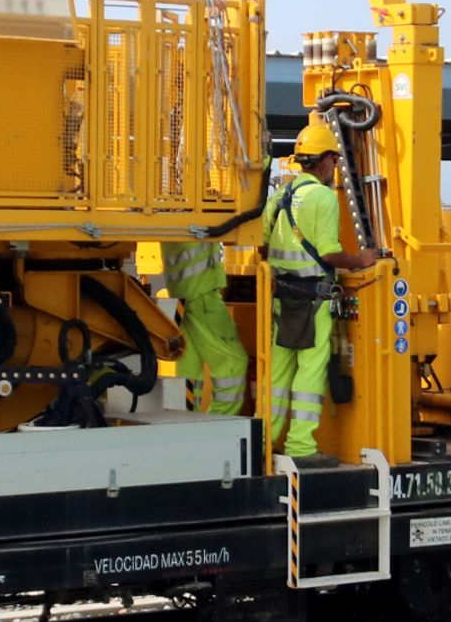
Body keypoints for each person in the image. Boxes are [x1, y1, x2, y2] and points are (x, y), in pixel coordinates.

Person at [261, 116, 381, 467]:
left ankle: (265, 441)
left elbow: (263, 244)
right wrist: (361, 259)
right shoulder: (324, 198)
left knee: (279, 374)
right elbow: (329, 253)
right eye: (335, 161)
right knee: (310, 373)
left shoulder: (282, 194)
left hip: (283, 296)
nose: (336, 168)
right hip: (313, 297)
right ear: (327, 160)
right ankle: (300, 448)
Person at [159, 237, 246, 414]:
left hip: (183, 296)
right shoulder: (196, 215)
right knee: (233, 362)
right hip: (203, 296)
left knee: (188, 366)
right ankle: (218, 424)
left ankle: (186, 423)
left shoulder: (170, 214)